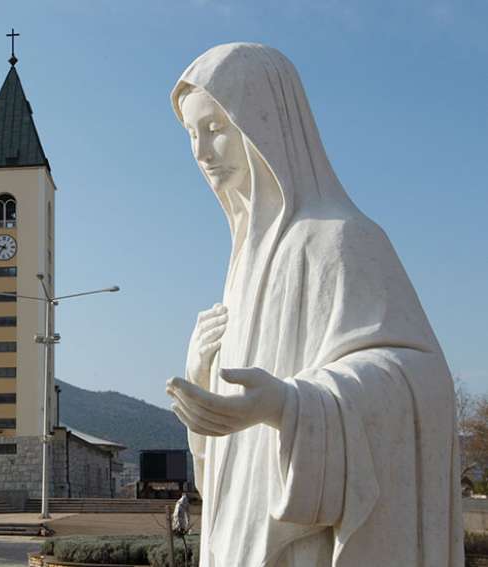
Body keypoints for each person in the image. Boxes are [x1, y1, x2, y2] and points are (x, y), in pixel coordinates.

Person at [165, 43, 462, 566]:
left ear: (265, 125)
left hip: (301, 535)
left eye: (214, 127)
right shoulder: (242, 264)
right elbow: (226, 448)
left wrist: (289, 405)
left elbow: (423, 382)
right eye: (191, 134)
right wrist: (203, 382)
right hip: (239, 526)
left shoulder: (343, 240)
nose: (200, 151)